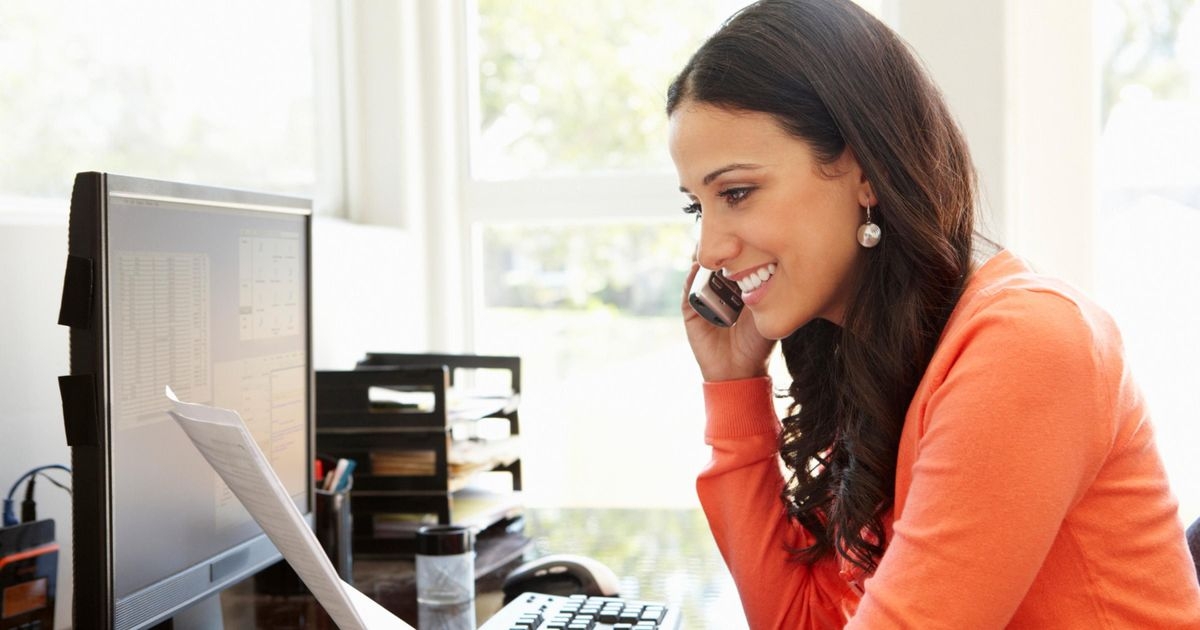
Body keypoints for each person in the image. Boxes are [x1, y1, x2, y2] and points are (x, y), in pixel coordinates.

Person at [666, 0, 1200, 627]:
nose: (708, 250)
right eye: (698, 207)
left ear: (864, 172)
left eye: (737, 193)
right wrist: (732, 389)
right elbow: (800, 623)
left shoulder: (1026, 346)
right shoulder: (873, 356)